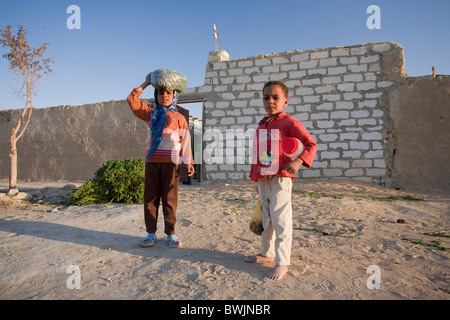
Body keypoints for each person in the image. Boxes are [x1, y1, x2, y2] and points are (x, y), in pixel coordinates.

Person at [246, 81, 317, 281]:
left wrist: (299, 161)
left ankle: (282, 262)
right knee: (266, 218)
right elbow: (258, 153)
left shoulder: (290, 123)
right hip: (263, 178)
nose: (270, 101)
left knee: (281, 220)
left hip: (280, 178)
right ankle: (266, 253)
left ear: (285, 101)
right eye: (266, 97)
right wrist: (255, 174)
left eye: (275, 97)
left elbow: (310, 144)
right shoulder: (262, 124)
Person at [127, 72, 194, 248]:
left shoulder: (179, 118)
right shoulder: (150, 114)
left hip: (171, 164)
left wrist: (188, 162)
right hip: (152, 163)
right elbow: (132, 101)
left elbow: (186, 141)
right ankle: (151, 233)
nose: (164, 96)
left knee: (170, 200)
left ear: (174, 96)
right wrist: (146, 83)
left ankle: (171, 233)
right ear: (156, 96)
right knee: (150, 198)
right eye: (160, 93)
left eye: (168, 93)